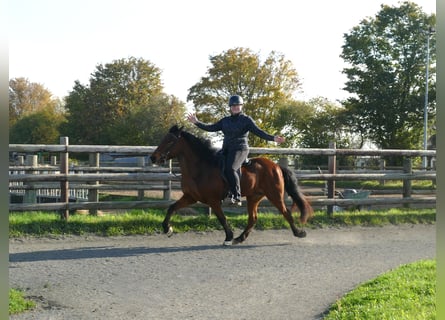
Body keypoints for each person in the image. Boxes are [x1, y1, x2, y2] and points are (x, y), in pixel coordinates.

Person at [187, 95, 285, 206]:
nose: (235, 107)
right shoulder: (225, 121)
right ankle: (220, 192)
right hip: (226, 150)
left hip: (240, 149)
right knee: (213, 165)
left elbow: (259, 132)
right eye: (233, 106)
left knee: (231, 168)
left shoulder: (246, 120)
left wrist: (273, 138)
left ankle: (236, 195)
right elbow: (211, 128)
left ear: (241, 106)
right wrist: (196, 122)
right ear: (230, 107)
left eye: (237, 106)